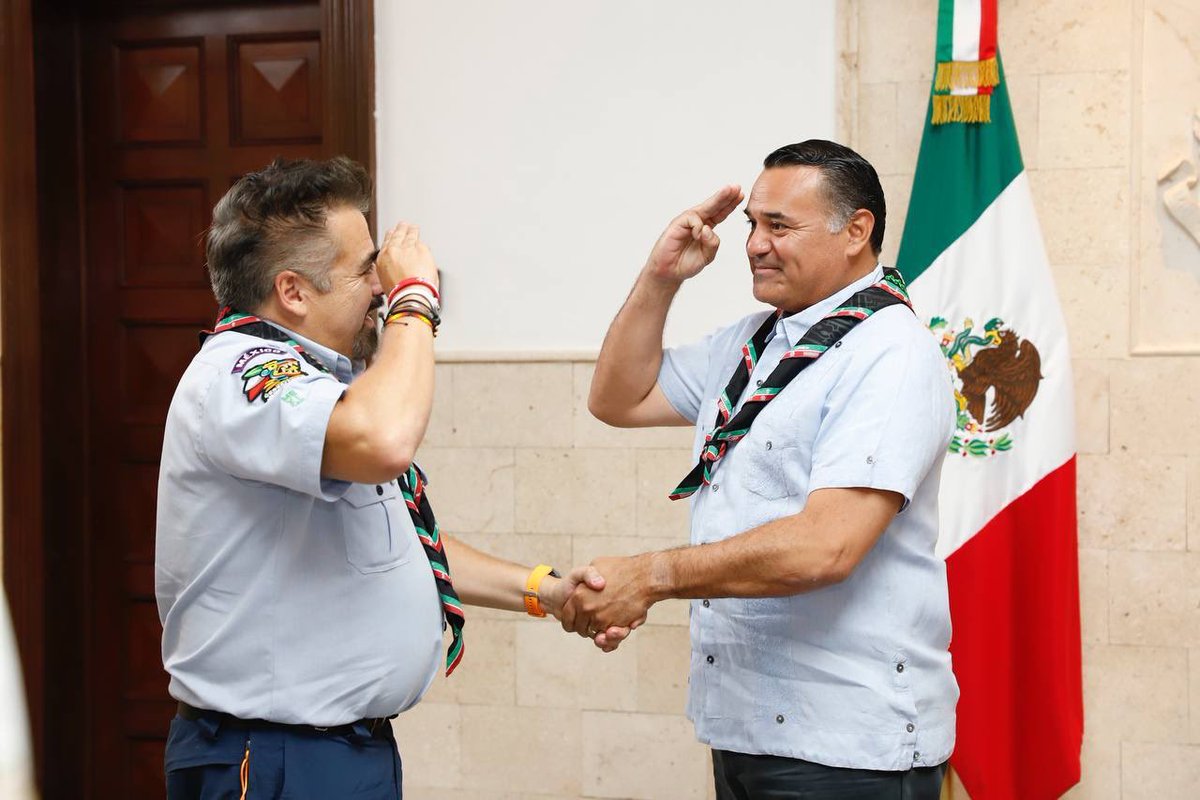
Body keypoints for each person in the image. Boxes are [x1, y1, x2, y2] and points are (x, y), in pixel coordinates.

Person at [155, 156, 625, 800]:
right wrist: (415, 301)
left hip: (344, 751)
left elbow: (406, 546)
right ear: (293, 292)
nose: (379, 286)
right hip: (273, 757)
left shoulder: (326, 385)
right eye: (364, 270)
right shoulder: (242, 374)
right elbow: (385, 441)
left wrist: (544, 591)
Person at [566, 140, 958, 798]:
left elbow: (826, 546)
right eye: (752, 223)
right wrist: (661, 278)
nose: (754, 245)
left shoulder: (890, 352)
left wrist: (653, 576)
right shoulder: (754, 341)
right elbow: (618, 398)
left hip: (846, 745)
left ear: (856, 231)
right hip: (747, 728)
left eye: (779, 226)